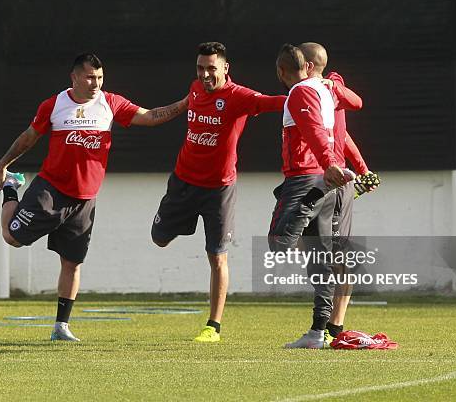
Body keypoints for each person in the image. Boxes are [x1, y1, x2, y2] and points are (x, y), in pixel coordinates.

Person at [0, 53, 188, 342]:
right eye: (90, 77)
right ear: (74, 78)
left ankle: (61, 327)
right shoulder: (54, 105)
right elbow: (29, 137)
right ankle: (10, 187)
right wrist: (3, 165)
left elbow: (149, 116)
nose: (96, 83)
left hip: (85, 199)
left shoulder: (110, 103)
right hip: (51, 190)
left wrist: (184, 104)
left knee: (72, 262)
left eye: (100, 77)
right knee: (12, 237)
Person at [151, 42, 287, 342]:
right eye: (200, 68)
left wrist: (310, 93)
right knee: (158, 239)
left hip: (218, 190)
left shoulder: (238, 96)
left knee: (217, 256)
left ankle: (213, 326)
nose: (205, 74)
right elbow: (186, 101)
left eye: (211, 68)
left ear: (225, 68)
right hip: (183, 183)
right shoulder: (196, 89)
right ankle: (181, 223)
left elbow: (271, 102)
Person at [267, 43, 352, 349]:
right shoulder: (325, 89)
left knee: (278, 242)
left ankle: (307, 206)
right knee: (320, 259)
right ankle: (318, 332)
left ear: (280, 71)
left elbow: (314, 131)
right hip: (324, 178)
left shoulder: (301, 91)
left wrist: (328, 164)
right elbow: (356, 102)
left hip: (307, 178)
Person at [298, 42, 378, 346]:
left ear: (307, 66)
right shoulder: (306, 94)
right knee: (315, 251)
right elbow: (340, 135)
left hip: (334, 182)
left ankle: (331, 327)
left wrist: (360, 168)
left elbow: (355, 104)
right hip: (318, 181)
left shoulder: (330, 86)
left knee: (334, 253)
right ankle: (327, 326)